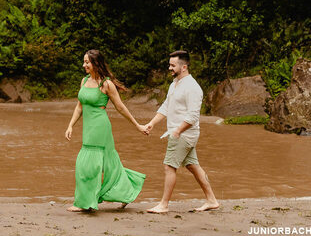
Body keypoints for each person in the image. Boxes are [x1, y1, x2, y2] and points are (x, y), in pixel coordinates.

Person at [64, 49, 148, 211]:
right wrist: (70, 125)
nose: (84, 65)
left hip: (100, 127)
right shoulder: (84, 81)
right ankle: (126, 191)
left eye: (87, 62)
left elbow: (120, 107)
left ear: (96, 64)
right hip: (88, 127)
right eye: (84, 62)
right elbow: (79, 106)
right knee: (109, 165)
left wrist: (138, 125)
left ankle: (85, 203)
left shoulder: (106, 84)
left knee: (87, 164)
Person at [144, 50, 220, 213]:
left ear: (184, 67)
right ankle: (212, 200)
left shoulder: (193, 88)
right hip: (179, 133)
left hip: (184, 134)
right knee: (193, 166)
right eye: (169, 65)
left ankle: (164, 205)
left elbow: (193, 116)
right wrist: (152, 123)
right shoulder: (174, 84)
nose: (169, 68)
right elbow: (166, 106)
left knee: (169, 167)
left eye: (173, 65)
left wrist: (178, 131)